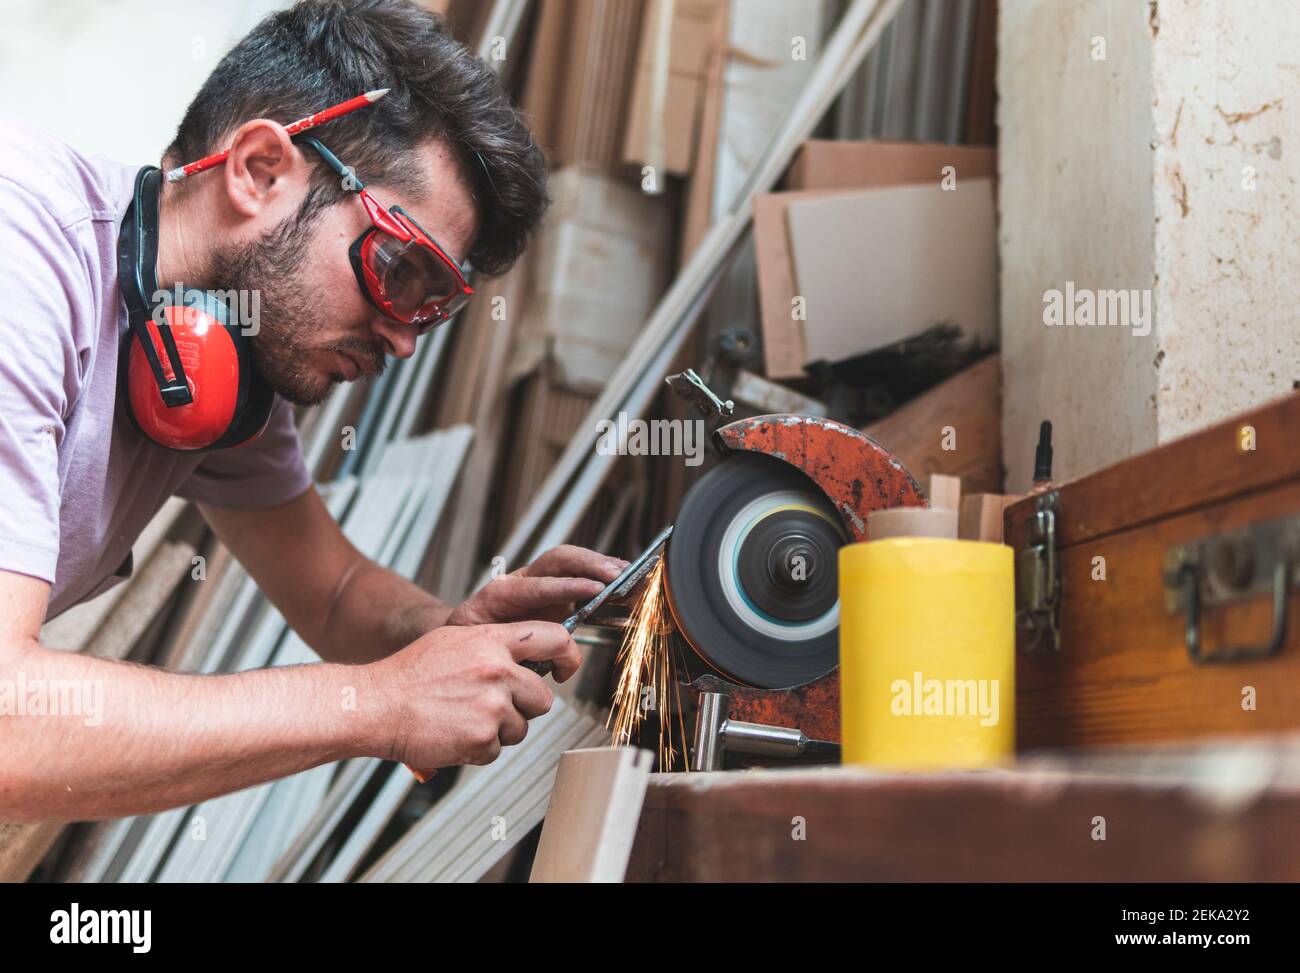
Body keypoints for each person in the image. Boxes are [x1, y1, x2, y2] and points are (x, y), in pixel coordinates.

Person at [0, 0, 625, 822]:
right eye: (403, 271)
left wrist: (445, 633)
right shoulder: (26, 259)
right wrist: (378, 704)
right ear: (259, 168)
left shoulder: (215, 357)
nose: (404, 341)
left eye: (435, 307)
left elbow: (332, 592)